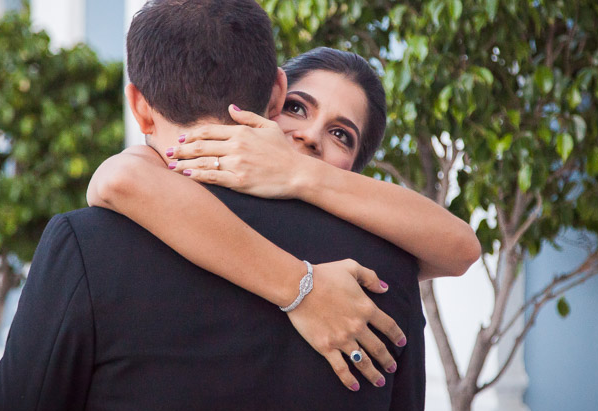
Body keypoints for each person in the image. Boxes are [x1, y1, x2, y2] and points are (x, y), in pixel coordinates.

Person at [0, 0, 429, 411]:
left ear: (138, 106)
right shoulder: (389, 261)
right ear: (277, 96)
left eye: (342, 134)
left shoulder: (87, 246)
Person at [86, 47, 482, 388]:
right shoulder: (185, 177)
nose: (310, 135)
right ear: (270, 103)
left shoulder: (364, 247)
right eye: (297, 108)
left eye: (341, 134)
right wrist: (302, 290)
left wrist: (299, 174)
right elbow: (119, 178)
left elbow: (461, 249)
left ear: (353, 168)